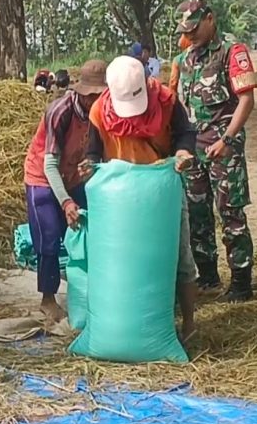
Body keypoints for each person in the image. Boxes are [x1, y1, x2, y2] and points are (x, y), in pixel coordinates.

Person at [80, 56, 199, 343]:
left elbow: (186, 134)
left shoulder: (167, 102)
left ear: (146, 86)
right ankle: (132, 322)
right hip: (120, 200)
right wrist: (89, 164)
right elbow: (94, 151)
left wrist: (183, 154)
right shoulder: (100, 112)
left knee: (180, 256)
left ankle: (190, 324)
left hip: (162, 191)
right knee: (124, 261)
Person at [173, 0, 257, 302]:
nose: (190, 34)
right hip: (193, 150)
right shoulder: (185, 60)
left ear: (210, 18)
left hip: (224, 149)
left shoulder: (231, 52)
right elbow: (180, 105)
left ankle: (240, 283)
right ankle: (207, 276)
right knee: (197, 215)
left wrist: (228, 140)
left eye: (195, 27)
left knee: (230, 214)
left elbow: (246, 101)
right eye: (185, 29)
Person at [23, 59, 107, 323]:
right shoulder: (60, 111)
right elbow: (49, 163)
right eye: (91, 95)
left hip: (73, 176)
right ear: (81, 92)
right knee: (49, 238)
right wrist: (66, 202)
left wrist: (92, 166)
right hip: (43, 178)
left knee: (87, 229)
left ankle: (88, 290)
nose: (95, 100)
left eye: (100, 95)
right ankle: (48, 299)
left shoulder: (103, 113)